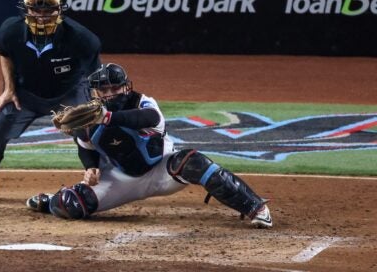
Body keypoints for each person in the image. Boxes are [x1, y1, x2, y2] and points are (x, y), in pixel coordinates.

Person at [25, 64, 274, 229]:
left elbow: (149, 120)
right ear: (95, 93)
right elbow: (86, 147)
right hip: (120, 180)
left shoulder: (143, 103)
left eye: (116, 87)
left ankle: (254, 205)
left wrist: (108, 118)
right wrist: (90, 168)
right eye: (104, 89)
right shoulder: (87, 121)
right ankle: (49, 202)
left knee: (193, 162)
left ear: (126, 86)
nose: (110, 93)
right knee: (68, 204)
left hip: (162, 169)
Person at [0, 0, 102, 202]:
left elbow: (95, 74)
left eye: (47, 11)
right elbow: (4, 54)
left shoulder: (82, 38)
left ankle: (101, 179)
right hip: (26, 94)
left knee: (90, 129)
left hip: (68, 92)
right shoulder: (10, 31)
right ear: (27, 11)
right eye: (36, 10)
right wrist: (8, 89)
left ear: (59, 11)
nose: (42, 17)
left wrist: (94, 105)